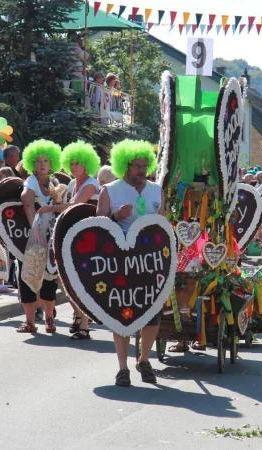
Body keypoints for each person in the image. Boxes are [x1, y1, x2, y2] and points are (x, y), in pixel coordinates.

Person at [96, 139, 164, 387]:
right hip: (121, 264)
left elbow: (163, 224)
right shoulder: (110, 190)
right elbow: (98, 227)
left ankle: (144, 360)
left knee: (152, 315)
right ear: (124, 165)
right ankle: (122, 367)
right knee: (122, 315)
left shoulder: (156, 190)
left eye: (144, 166)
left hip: (150, 263)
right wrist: (116, 216)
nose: (141, 171)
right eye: (136, 166)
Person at [15, 140, 63, 333]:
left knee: (49, 277)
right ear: (31, 163)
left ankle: (49, 320)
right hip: (31, 238)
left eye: (45, 160)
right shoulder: (31, 181)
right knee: (27, 275)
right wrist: (34, 228)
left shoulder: (54, 182)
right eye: (37, 161)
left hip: (50, 236)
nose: (41, 164)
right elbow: (26, 201)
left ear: (52, 163)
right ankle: (30, 322)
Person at [60, 141, 101, 340]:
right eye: (72, 163)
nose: (74, 166)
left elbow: (74, 205)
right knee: (64, 279)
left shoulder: (91, 184)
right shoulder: (71, 184)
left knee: (84, 280)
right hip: (71, 234)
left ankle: (84, 326)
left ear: (87, 164)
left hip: (88, 237)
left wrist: (51, 207)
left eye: (78, 163)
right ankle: (78, 314)